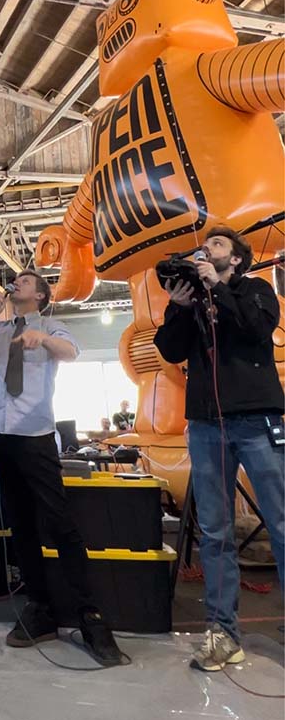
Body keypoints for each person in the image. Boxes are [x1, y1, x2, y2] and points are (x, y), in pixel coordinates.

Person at [0, 270, 126, 667]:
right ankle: (41, 610)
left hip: (35, 436)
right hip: (0, 435)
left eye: (26, 281)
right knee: (20, 525)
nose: (17, 283)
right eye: (14, 279)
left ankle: (91, 618)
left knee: (60, 525)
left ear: (40, 295)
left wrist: (43, 339)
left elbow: (72, 353)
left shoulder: (53, 326)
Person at [154, 226, 284, 671]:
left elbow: (256, 329)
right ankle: (223, 634)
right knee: (215, 532)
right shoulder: (194, 301)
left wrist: (219, 288)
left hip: (257, 421)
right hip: (207, 427)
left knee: (282, 523)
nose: (207, 250)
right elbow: (169, 352)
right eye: (205, 245)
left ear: (237, 259)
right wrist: (178, 306)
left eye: (217, 245)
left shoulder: (256, 291)